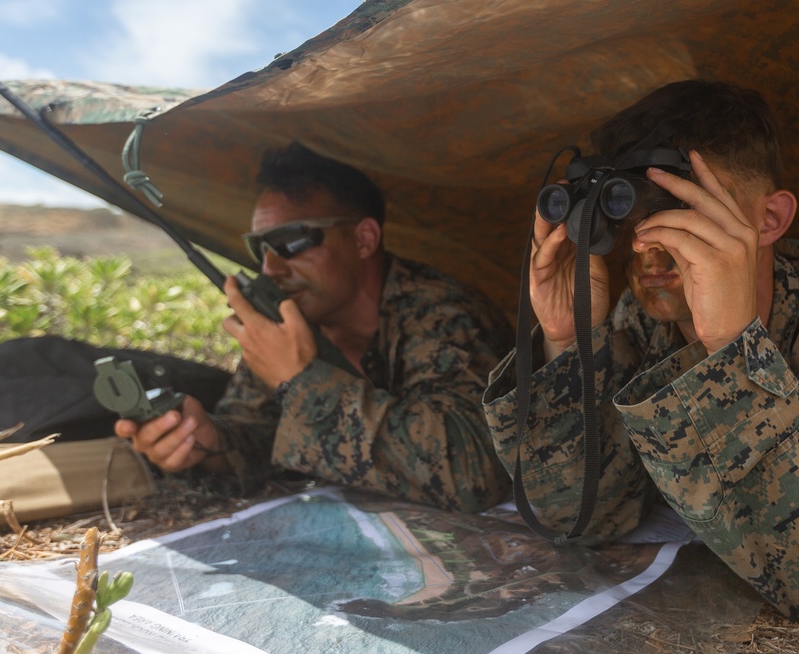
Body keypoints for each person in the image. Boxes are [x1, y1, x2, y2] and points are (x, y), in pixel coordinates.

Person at [483, 79, 799, 636]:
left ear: (769, 219)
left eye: (684, 211)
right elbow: (584, 517)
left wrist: (729, 350)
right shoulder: (644, 318)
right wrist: (568, 343)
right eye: (629, 213)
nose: (647, 246)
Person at [117, 142, 514, 513]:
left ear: (364, 238)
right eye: (261, 249)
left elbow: (476, 471)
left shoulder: (444, 313)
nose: (271, 268)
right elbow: (260, 432)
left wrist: (301, 380)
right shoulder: (291, 322)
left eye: (291, 241)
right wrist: (207, 444)